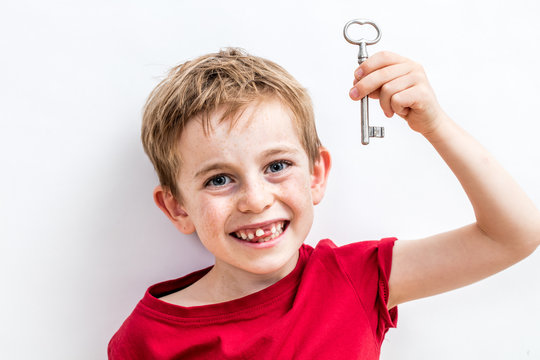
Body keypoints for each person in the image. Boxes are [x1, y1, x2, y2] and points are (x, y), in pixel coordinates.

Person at [108, 47, 540, 359]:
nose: (256, 200)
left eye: (276, 166)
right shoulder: (146, 340)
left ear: (316, 176)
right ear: (177, 208)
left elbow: (513, 235)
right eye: (220, 179)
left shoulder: (357, 279)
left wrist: (435, 124)